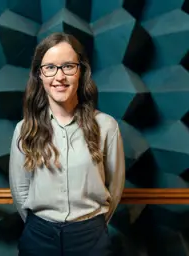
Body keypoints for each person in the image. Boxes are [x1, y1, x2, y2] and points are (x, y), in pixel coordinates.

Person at [9, 32, 125, 256]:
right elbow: (20, 190)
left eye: (68, 66)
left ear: (81, 72)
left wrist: (91, 227)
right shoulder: (24, 130)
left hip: (91, 237)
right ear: (40, 75)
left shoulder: (107, 126)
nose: (59, 76)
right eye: (50, 67)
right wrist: (41, 226)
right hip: (38, 236)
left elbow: (115, 187)